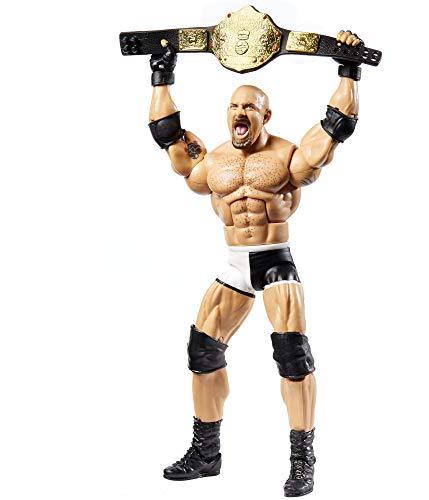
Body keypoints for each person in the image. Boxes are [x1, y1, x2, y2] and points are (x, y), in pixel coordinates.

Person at [147, 29, 362, 497]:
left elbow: (334, 129)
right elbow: (169, 140)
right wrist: (162, 75)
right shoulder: (214, 162)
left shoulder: (285, 156)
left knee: (293, 356)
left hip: (275, 262)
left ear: (265, 115)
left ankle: (302, 461)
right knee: (202, 350)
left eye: (250, 107)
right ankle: (206, 454)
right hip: (234, 264)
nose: (239, 113)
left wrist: (348, 70)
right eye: (233, 107)